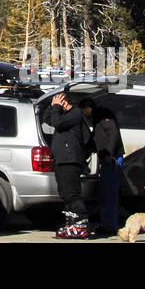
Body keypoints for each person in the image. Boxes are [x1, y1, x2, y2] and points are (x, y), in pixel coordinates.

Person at [46, 92, 92, 239]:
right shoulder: (61, 114)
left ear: (64, 102)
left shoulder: (75, 114)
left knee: (72, 193)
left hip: (70, 160)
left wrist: (57, 108)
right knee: (65, 194)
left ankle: (81, 223)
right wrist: (52, 105)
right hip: (61, 159)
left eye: (58, 102)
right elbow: (48, 119)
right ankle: (71, 222)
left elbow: (58, 123)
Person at [83, 98, 123, 236]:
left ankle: (109, 225)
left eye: (84, 110)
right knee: (105, 193)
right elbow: (97, 137)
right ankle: (107, 223)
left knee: (109, 192)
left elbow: (113, 135)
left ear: (88, 107)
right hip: (107, 158)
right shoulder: (97, 116)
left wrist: (109, 155)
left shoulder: (104, 115)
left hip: (112, 158)